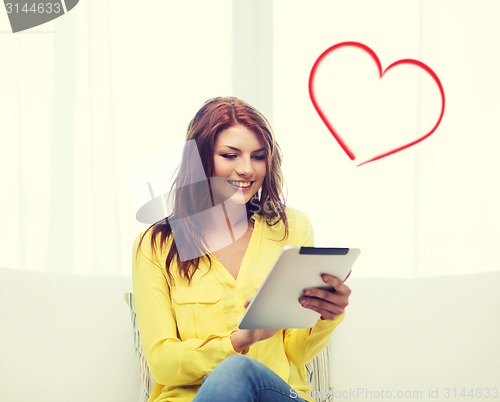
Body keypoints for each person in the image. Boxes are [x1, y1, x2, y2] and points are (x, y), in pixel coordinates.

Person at [132, 96, 351, 402]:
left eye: (258, 157)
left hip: (275, 395)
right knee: (233, 369)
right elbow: (163, 365)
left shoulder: (291, 229)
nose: (247, 169)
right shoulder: (156, 246)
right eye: (230, 155)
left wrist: (327, 315)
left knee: (239, 371)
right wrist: (238, 341)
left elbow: (296, 352)